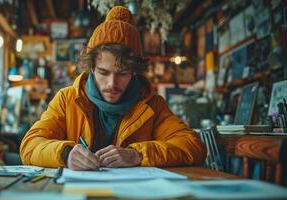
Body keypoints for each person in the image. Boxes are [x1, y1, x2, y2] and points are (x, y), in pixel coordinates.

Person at [20, 6, 206, 170]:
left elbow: (193, 146)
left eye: (123, 73)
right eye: (103, 72)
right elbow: (29, 146)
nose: (112, 84)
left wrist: (137, 154)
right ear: (91, 68)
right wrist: (65, 154)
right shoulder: (66, 99)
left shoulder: (153, 105)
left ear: (134, 71)